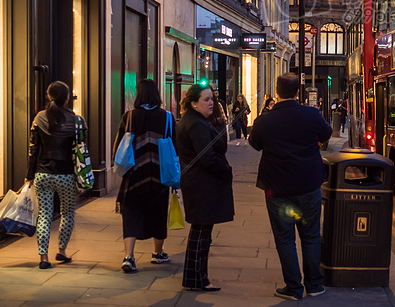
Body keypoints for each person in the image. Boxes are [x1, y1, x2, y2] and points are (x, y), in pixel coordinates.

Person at [248, 73, 332, 301]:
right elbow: (327, 134)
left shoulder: (264, 119)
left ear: (276, 91)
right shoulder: (311, 115)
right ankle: (314, 285)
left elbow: (254, 145)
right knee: (311, 236)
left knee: (285, 238)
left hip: (277, 189)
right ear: (298, 92)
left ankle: (294, 288)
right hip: (309, 186)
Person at [175, 83, 234, 291]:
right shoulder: (197, 124)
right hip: (202, 184)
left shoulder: (193, 120)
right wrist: (226, 171)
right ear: (193, 103)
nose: (211, 103)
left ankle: (196, 278)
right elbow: (207, 157)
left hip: (197, 182)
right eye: (206, 100)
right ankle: (197, 278)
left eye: (212, 99)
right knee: (201, 233)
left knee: (201, 232)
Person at [113, 79, 171, 273]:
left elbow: (118, 146)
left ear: (138, 94)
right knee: (159, 213)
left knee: (131, 214)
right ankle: (158, 253)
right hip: (159, 176)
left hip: (134, 176)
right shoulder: (167, 118)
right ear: (157, 93)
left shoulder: (129, 116)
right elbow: (175, 147)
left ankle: (129, 257)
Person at [26, 81, 83, 270]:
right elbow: (81, 150)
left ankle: (43, 257)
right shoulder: (76, 120)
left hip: (43, 173)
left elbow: (33, 149)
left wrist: (29, 174)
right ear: (67, 97)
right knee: (67, 213)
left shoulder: (39, 118)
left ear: (48, 96)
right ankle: (62, 251)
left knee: (44, 215)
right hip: (66, 174)